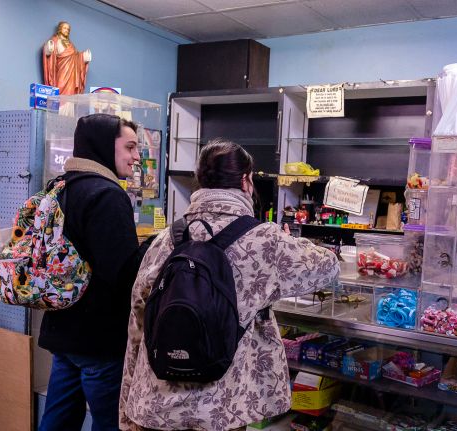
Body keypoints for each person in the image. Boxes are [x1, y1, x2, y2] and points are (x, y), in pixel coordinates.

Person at [119, 140, 339, 431]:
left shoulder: (165, 238)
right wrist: (294, 242)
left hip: (159, 403)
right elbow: (328, 267)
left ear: (200, 180)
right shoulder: (264, 239)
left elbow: (138, 320)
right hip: (224, 405)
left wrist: (127, 408)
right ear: (246, 181)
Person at [39, 113, 142, 431]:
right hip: (99, 339)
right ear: (102, 147)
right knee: (110, 422)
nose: (136, 157)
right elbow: (125, 274)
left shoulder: (60, 187)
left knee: (57, 420)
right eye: (130, 147)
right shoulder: (107, 196)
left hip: (63, 330)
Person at [43, 21, 91, 95]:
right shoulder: (55, 40)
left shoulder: (71, 44)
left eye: (68, 29)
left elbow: (76, 57)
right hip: (61, 71)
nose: (67, 30)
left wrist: (83, 56)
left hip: (71, 75)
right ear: (60, 29)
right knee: (59, 89)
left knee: (70, 95)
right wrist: (49, 48)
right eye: (65, 28)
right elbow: (48, 53)